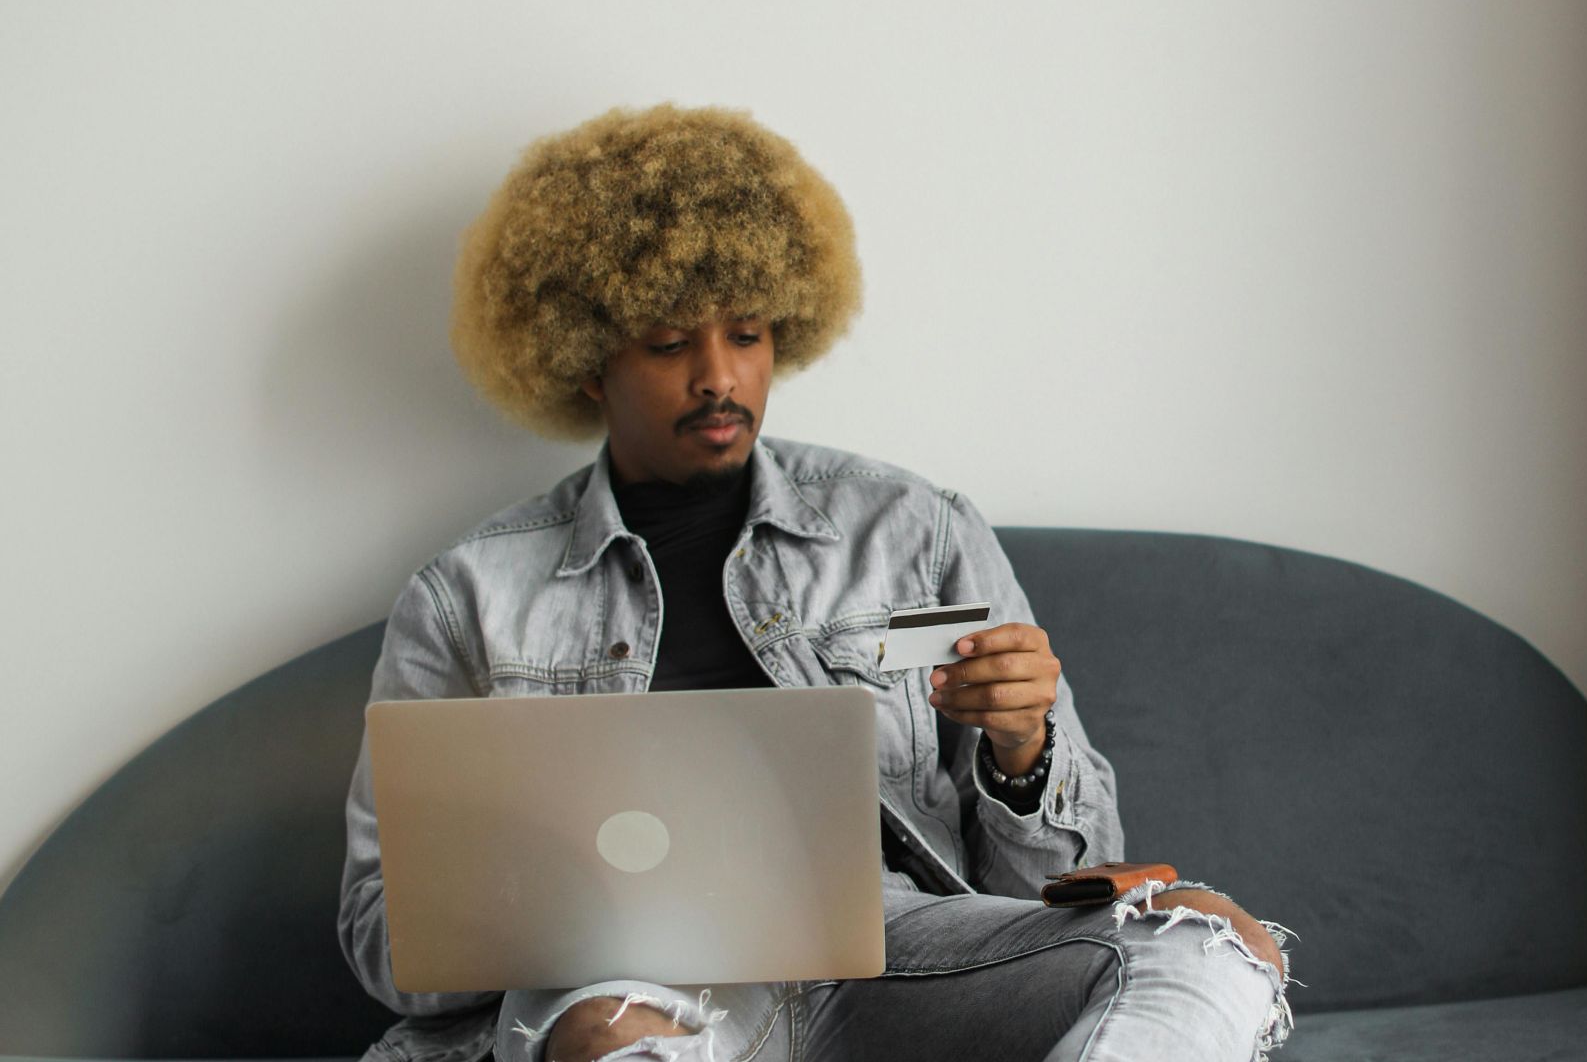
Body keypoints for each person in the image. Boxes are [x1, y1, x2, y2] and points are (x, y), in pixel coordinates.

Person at [338, 103, 1294, 1062]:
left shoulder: (913, 530)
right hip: (631, 982)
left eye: (748, 335)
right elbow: (384, 940)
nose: (721, 377)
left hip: (902, 955)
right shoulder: (467, 597)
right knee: (603, 1038)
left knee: (1214, 944)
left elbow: (1059, 877)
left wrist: (1022, 746)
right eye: (671, 345)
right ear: (588, 364)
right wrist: (545, 895)